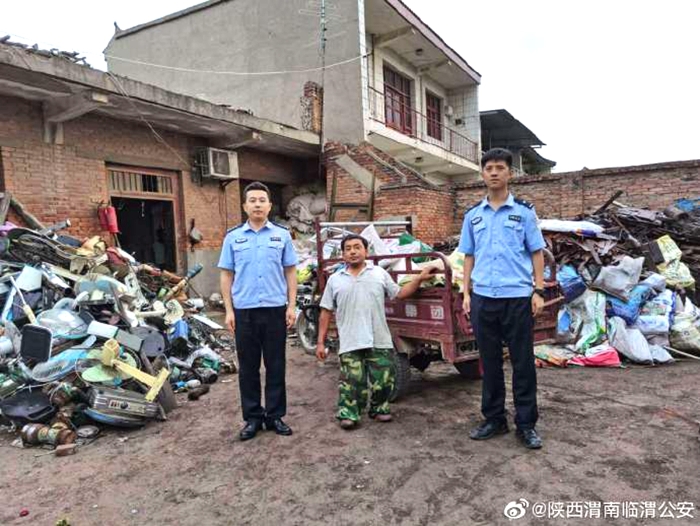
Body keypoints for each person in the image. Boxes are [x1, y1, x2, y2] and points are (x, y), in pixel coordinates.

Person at [459, 148, 546, 450]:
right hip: (484, 298)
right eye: (489, 168)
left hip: (517, 299)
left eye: (500, 167)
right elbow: (468, 256)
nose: (494, 172)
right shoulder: (472, 216)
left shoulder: (523, 212)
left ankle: (526, 425)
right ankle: (494, 419)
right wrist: (466, 293)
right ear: (482, 174)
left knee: (523, 364)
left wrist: (539, 290)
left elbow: (536, 253)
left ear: (510, 173)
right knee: (490, 363)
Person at [315, 234, 435, 429]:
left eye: (357, 247)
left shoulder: (379, 273)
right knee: (351, 382)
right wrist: (320, 341)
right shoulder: (335, 280)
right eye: (348, 249)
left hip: (378, 338)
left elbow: (400, 293)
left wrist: (419, 278)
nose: (353, 251)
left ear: (366, 251)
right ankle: (349, 413)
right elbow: (325, 311)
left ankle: (379, 408)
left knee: (384, 380)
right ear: (342, 254)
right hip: (350, 340)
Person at [218, 182, 298, 441]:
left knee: (276, 365)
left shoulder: (282, 235)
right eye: (252, 200)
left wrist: (292, 305)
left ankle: (275, 415)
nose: (257, 204)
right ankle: (252, 418)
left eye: (262, 200)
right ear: (244, 206)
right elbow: (226, 274)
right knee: (248, 368)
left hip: (275, 309)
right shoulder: (233, 237)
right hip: (245, 312)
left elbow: (290, 271)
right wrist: (228, 310)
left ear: (270, 205)